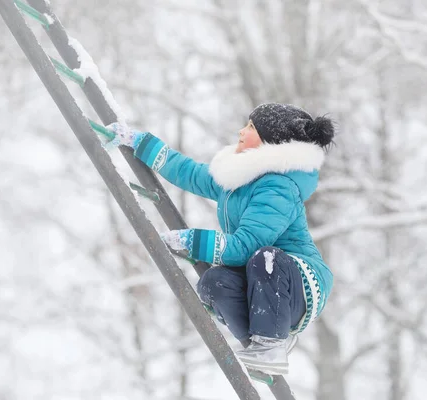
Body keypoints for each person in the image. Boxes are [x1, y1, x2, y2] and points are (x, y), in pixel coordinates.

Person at [104, 103, 335, 375]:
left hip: (298, 282)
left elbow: (246, 246)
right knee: (213, 283)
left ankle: (271, 343)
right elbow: (189, 173)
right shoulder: (238, 178)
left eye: (251, 128)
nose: (241, 131)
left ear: (271, 143)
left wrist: (191, 241)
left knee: (266, 258)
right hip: (259, 279)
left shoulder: (279, 188)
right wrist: (140, 143)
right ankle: (262, 340)